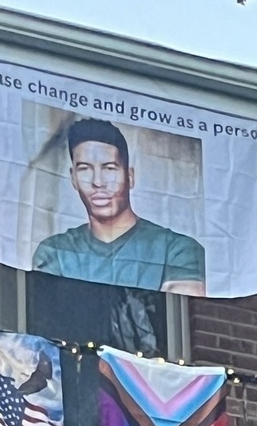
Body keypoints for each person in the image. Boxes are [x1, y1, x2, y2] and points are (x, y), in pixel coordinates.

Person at [32, 118, 205, 295]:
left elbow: (181, 317)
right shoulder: (56, 251)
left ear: (130, 176)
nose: (97, 182)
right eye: (84, 169)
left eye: (109, 168)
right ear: (73, 178)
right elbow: (49, 316)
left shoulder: (177, 250)